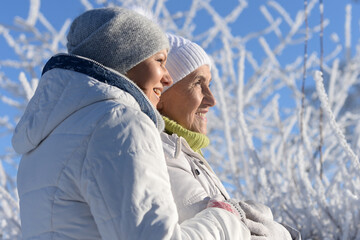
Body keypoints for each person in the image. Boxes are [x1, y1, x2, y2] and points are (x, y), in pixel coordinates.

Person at [12, 7, 252, 240]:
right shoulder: (121, 122)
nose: (166, 77)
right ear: (128, 58)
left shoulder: (42, 139)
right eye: (160, 61)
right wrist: (224, 219)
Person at [158, 33, 301, 240]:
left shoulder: (187, 154)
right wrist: (281, 234)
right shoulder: (163, 154)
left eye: (209, 84)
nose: (211, 99)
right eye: (198, 83)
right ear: (160, 92)